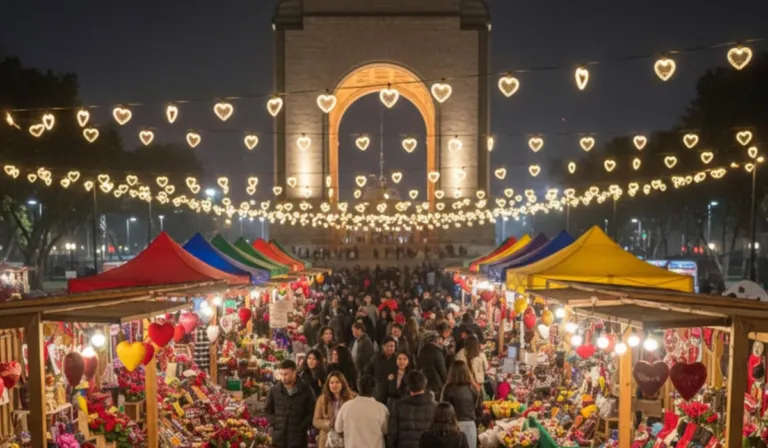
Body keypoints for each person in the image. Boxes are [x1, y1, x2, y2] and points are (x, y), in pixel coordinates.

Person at [265, 360, 317, 448]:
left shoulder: (306, 389)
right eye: (281, 374)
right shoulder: (274, 390)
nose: (283, 377)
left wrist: (303, 425)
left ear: (294, 372)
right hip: (278, 438)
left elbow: (313, 411)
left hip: (298, 439)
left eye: (286, 374)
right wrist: (275, 423)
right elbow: (267, 410)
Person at [334, 375, 389, 448]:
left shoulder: (346, 407)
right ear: (375, 389)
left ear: (358, 387)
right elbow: (387, 430)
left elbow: (338, 428)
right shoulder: (381, 409)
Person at [388, 371, 438, 448]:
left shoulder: (398, 406)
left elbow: (393, 434)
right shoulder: (435, 406)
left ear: (408, 385)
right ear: (424, 384)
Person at [440, 361, 479, 448]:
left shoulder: (448, 388)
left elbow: (443, 410)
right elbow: (478, 410)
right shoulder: (473, 388)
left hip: (453, 426)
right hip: (471, 425)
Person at [313, 371, 356, 448]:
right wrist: (328, 423)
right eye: (331, 383)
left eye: (337, 382)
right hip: (327, 439)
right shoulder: (322, 399)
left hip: (346, 437)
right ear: (328, 385)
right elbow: (316, 421)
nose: (334, 385)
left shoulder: (352, 398)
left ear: (342, 384)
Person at [366, 336, 399, 404]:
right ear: (383, 346)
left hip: (393, 391)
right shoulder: (375, 358)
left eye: (392, 346)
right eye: (387, 346)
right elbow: (369, 372)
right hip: (379, 390)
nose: (390, 348)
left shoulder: (397, 359)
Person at [418, 332, 448, 396]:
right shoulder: (437, 351)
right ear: (435, 341)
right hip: (435, 381)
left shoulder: (421, 350)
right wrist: (446, 382)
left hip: (423, 380)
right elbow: (442, 369)